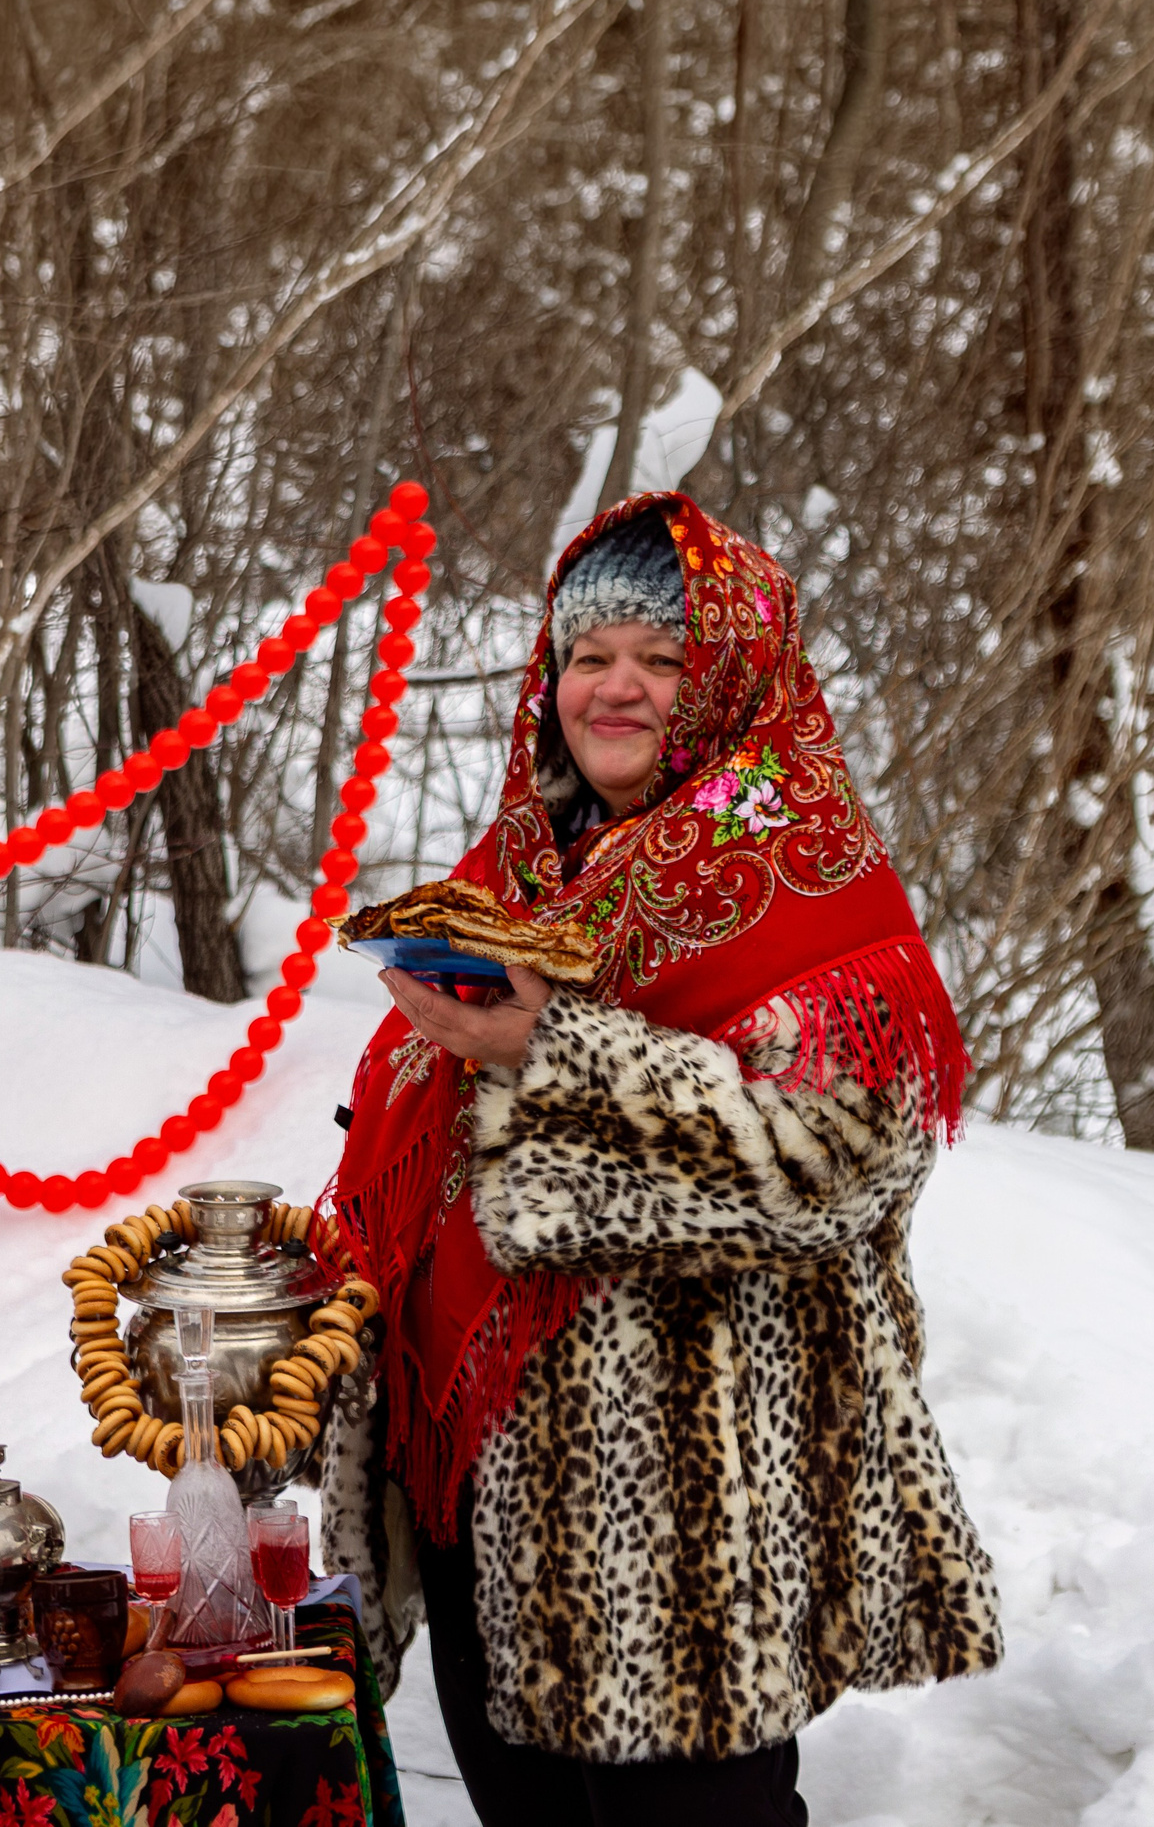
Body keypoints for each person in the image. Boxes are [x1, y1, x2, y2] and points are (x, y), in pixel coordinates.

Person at [320, 493, 1003, 1827]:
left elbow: (840, 1157)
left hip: (685, 1506)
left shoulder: (803, 869)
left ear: (730, 672)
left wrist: (551, 1051)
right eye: (589, 654)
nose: (616, 685)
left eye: (662, 656)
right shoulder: (521, 865)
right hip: (481, 1478)